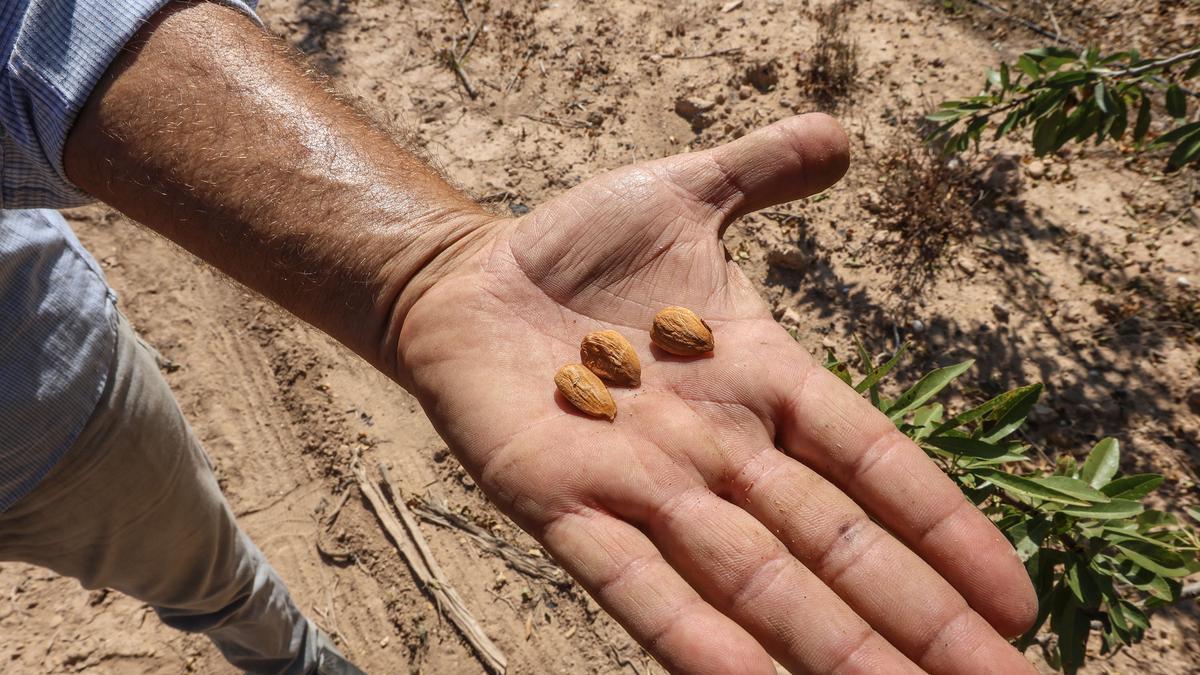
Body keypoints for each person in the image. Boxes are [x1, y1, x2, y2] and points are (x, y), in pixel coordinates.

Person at [0, 1, 1040, 674]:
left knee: (205, 578)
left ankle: (280, 653)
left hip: (36, 403)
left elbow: (42, 23)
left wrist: (416, 266)